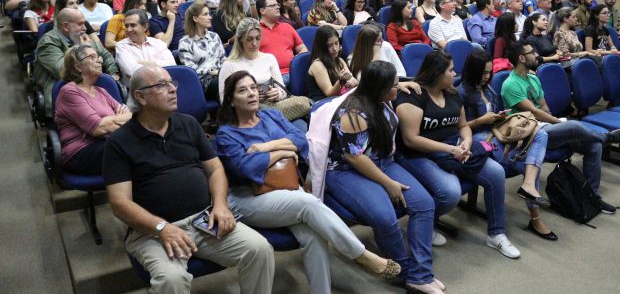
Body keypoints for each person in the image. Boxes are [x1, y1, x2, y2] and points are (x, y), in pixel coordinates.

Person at [216, 70, 401, 294]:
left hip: (287, 188)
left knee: (315, 235)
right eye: (242, 90)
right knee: (309, 203)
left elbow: (301, 141)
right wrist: (284, 152)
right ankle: (361, 255)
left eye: (253, 88)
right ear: (231, 100)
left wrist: (267, 147)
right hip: (248, 197)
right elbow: (246, 168)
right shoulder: (227, 134)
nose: (251, 94)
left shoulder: (271, 115)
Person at [103, 65, 275, 294]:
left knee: (259, 249)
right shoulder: (119, 142)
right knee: (171, 279)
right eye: (162, 85)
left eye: (172, 84)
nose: (173, 90)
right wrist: (162, 227)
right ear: (140, 97)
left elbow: (215, 169)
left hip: (204, 220)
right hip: (152, 231)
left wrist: (221, 205)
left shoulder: (188, 124)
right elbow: (119, 203)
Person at [320, 61, 445, 294]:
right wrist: (388, 184)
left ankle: (420, 273)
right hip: (346, 170)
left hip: (382, 162)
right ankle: (411, 274)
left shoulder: (380, 98)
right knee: (384, 217)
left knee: (425, 204)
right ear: (381, 88)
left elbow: (393, 89)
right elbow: (355, 157)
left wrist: (404, 85)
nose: (399, 88)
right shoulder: (353, 113)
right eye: (395, 85)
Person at [395, 51, 520, 259]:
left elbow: (463, 126)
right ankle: (423, 223)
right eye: (451, 70)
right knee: (451, 192)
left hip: (452, 149)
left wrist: (467, 142)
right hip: (418, 155)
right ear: (437, 73)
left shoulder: (452, 93)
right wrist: (451, 150)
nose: (455, 73)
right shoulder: (413, 96)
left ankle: (496, 234)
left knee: (496, 173)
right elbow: (411, 139)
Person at [501, 40, 620, 214]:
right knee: (573, 126)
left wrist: (554, 121)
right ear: (521, 58)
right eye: (532, 52)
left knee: (594, 146)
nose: (536, 55)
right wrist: (558, 123)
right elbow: (534, 112)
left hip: (547, 128)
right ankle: (606, 137)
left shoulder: (533, 78)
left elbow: (544, 107)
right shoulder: (510, 84)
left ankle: (592, 197)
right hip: (530, 134)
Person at [457, 50, 557, 241]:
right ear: (473, 71)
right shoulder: (461, 93)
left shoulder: (488, 89)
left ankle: (529, 190)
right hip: (476, 138)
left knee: (540, 136)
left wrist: (501, 116)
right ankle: (535, 216)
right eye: (483, 73)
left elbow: (495, 116)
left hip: (496, 132)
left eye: (489, 72)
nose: (487, 76)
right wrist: (480, 120)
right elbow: (457, 128)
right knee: (529, 165)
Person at [55, 45, 131, 174]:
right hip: (81, 151)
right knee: (135, 150)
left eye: (98, 57)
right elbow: (98, 128)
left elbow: (129, 115)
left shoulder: (101, 91)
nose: (100, 60)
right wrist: (115, 119)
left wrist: (110, 120)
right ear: (78, 67)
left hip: (108, 142)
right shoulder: (69, 92)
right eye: (92, 57)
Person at [35, 8, 120, 116]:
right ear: (66, 26)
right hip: (64, 94)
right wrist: (84, 49)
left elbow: (106, 55)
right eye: (80, 24)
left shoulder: (80, 37)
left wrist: (113, 73)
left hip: (92, 88)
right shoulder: (48, 42)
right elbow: (64, 71)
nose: (85, 28)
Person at [179, 1, 226, 101]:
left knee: (239, 77)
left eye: (209, 14)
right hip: (202, 82)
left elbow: (223, 59)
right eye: (205, 14)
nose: (210, 17)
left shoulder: (214, 36)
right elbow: (191, 71)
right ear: (195, 18)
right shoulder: (185, 43)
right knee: (227, 82)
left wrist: (223, 70)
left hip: (221, 75)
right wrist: (212, 72)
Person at [257, 0, 307, 85]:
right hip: (270, 76)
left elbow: (302, 49)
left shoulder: (287, 27)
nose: (277, 7)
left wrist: (295, 61)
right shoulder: (255, 31)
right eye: (273, 5)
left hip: (293, 72)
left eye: (277, 5)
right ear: (262, 11)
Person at [115, 9, 176, 85]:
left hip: (163, 86)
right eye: (126, 26)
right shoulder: (121, 46)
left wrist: (145, 63)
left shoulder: (158, 43)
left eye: (133, 25)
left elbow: (172, 64)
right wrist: (158, 65)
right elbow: (132, 71)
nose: (129, 29)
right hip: (138, 89)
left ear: (145, 26)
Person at [307, 25, 358, 102]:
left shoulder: (340, 61)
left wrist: (354, 82)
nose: (335, 48)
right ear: (322, 47)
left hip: (339, 101)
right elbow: (329, 94)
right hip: (323, 104)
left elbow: (351, 79)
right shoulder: (318, 65)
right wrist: (341, 81)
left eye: (336, 43)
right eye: (329, 45)